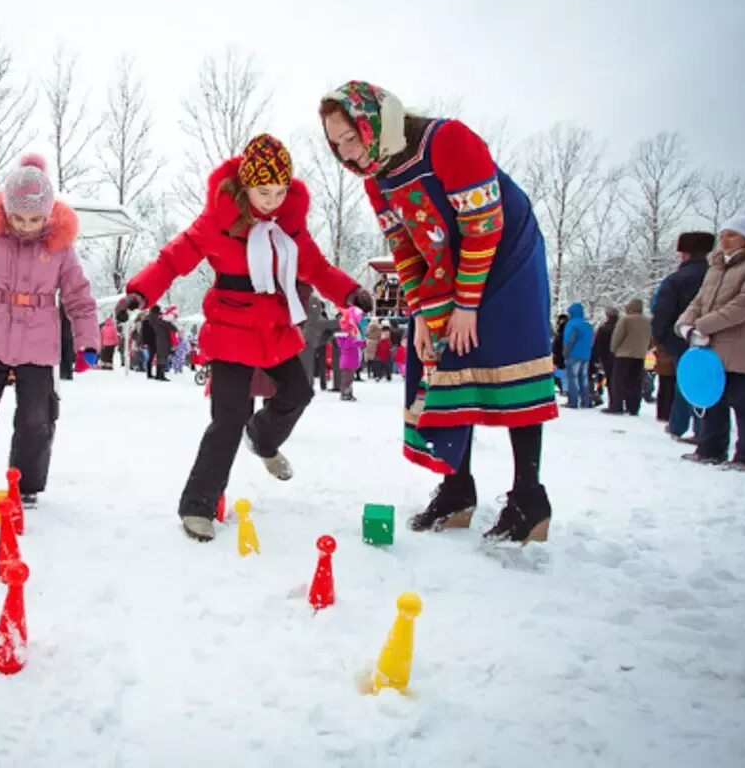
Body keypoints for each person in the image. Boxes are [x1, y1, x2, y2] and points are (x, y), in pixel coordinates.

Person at [320, 81, 557, 544]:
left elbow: (483, 228)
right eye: (336, 143)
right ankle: (457, 489)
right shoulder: (376, 180)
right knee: (440, 362)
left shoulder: (447, 140)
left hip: (505, 254)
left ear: (376, 121)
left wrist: (466, 305)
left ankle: (529, 498)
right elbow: (405, 246)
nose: (346, 151)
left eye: (352, 136)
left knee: (506, 363)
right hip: (445, 262)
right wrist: (425, 313)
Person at [115, 133, 368, 541]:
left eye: (281, 191)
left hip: (274, 328)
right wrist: (140, 292)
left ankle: (263, 439)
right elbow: (173, 258)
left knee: (299, 393)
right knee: (228, 416)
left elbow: (317, 269)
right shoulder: (218, 220)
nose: (272, 200)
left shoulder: (289, 226)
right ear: (245, 185)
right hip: (231, 329)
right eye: (264, 191)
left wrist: (351, 291)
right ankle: (197, 506)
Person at [0, 155, 98, 527]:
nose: (26, 227)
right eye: (18, 218)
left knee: (36, 418)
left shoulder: (60, 248)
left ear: (49, 214)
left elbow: (78, 297)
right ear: (6, 211)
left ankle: (24, 486)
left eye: (34, 219)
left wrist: (88, 341)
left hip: (38, 343)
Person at [678, 216, 745, 472]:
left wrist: (703, 325)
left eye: (732, 235)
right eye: (723, 234)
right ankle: (710, 448)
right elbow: (699, 300)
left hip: (742, 344)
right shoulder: (717, 267)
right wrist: (686, 323)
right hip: (710, 345)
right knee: (712, 397)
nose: (724, 240)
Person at [651, 231, 715, 442]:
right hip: (712, 336)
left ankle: (690, 427)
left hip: (681, 336)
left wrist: (660, 337)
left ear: (684, 253)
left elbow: (662, 310)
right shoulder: (714, 276)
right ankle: (692, 427)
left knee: (687, 381)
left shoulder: (676, 280)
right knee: (703, 382)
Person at [604, 299, 651, 416]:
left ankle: (617, 405)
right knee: (635, 382)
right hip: (640, 355)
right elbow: (651, 339)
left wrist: (613, 349)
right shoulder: (647, 321)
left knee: (618, 381)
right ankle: (634, 407)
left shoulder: (626, 319)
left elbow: (618, 336)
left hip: (624, 354)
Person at [561, 303, 594, 409]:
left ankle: (573, 401)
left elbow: (569, 340)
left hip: (573, 354)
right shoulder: (587, 325)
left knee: (572, 378)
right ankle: (585, 401)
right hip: (586, 355)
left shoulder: (572, 324)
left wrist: (565, 353)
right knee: (583, 378)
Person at [592, 307, 619, 410]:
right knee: (618, 380)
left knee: (610, 379)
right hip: (619, 356)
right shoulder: (620, 327)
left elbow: (598, 344)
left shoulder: (604, 328)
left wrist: (595, 357)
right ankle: (619, 401)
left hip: (606, 356)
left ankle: (613, 402)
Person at [336, 306, 365, 401]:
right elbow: (351, 344)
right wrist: (361, 343)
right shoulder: (346, 338)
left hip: (350, 362)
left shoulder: (348, 337)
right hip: (348, 362)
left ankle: (348, 393)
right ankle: (345, 394)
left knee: (349, 379)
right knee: (347, 379)